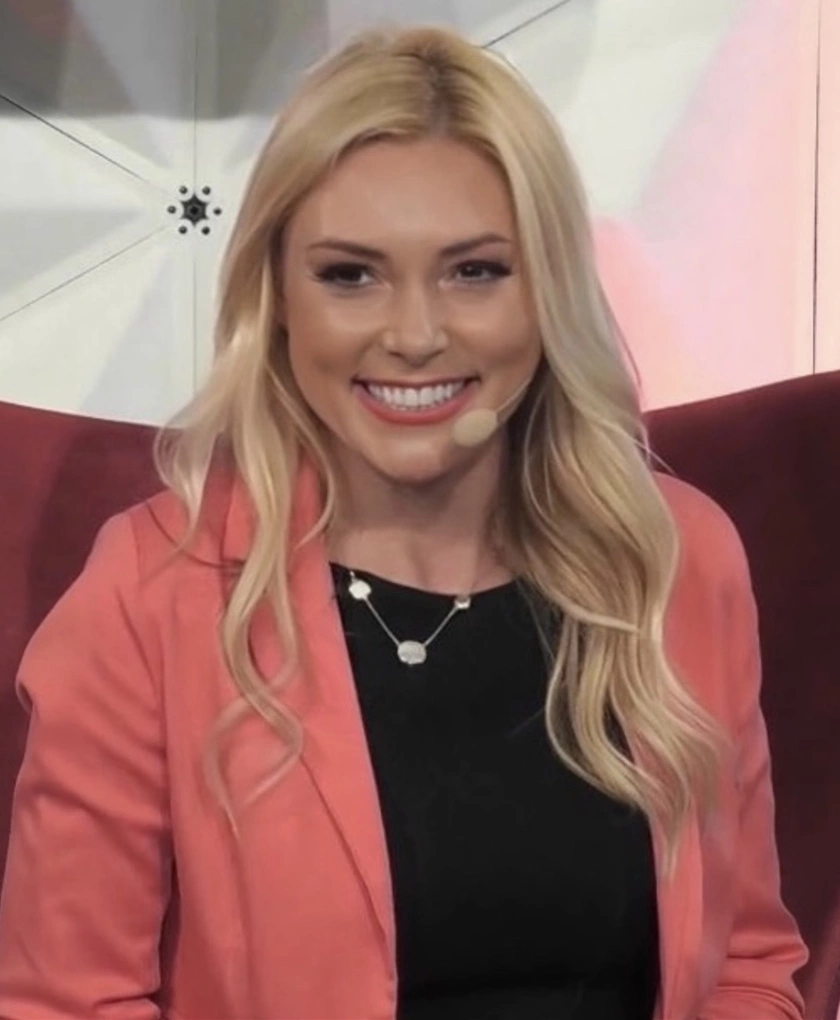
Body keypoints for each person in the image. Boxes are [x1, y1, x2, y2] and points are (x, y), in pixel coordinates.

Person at [0, 23, 808, 1020]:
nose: (417, 335)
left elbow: (749, 965)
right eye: (351, 275)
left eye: (475, 271)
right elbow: (67, 1004)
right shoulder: (150, 592)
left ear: (547, 291)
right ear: (277, 299)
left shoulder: (674, 559)